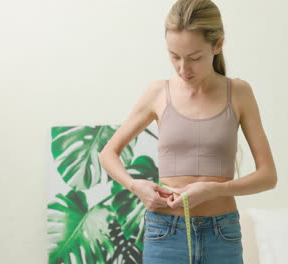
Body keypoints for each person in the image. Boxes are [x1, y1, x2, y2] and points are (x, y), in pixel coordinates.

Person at [99, 0, 277, 263]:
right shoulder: (158, 93)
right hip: (165, 234)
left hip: (222, 234)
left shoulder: (238, 93)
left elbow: (268, 176)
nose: (183, 69)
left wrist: (214, 190)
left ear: (217, 45)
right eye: (174, 56)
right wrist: (136, 186)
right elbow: (108, 153)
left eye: (194, 58)